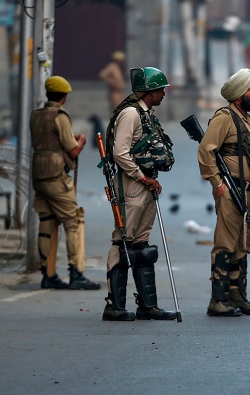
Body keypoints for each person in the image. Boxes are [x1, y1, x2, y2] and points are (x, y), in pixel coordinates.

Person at [198, 68, 250, 317]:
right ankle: (218, 299)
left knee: (244, 242)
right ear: (238, 95)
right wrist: (218, 184)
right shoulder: (225, 117)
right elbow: (205, 151)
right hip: (231, 189)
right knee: (225, 242)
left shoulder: (249, 119)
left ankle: (238, 296)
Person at [101, 67, 177, 321]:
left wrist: (151, 179)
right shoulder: (131, 114)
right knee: (122, 241)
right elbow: (120, 153)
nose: (163, 93)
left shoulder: (147, 115)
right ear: (149, 91)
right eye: (160, 89)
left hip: (147, 183)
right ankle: (114, 305)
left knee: (142, 246)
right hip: (131, 184)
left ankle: (147, 305)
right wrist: (142, 177)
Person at [30, 76, 100, 290]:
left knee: (47, 222)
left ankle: (47, 274)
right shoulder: (60, 116)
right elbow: (73, 150)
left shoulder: (37, 115)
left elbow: (50, 141)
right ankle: (75, 273)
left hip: (39, 174)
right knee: (72, 221)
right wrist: (81, 140)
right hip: (55, 176)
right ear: (65, 96)